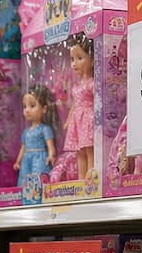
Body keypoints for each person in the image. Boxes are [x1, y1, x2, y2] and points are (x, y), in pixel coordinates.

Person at [63, 34, 96, 180]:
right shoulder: (77, 85)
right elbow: (75, 104)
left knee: (90, 150)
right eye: (72, 59)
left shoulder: (92, 84)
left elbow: (100, 101)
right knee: (80, 151)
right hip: (78, 122)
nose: (74, 63)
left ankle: (91, 177)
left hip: (89, 120)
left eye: (80, 58)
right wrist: (69, 120)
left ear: (93, 60)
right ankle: (81, 180)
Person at [14, 85, 59, 192]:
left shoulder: (45, 129)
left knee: (38, 177)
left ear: (44, 108)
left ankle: (38, 193)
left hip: (40, 158)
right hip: (26, 159)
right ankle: (24, 195)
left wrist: (51, 155)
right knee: (24, 177)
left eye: (32, 106)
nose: (27, 110)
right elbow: (23, 148)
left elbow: (50, 144)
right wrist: (18, 162)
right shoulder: (26, 131)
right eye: (25, 107)